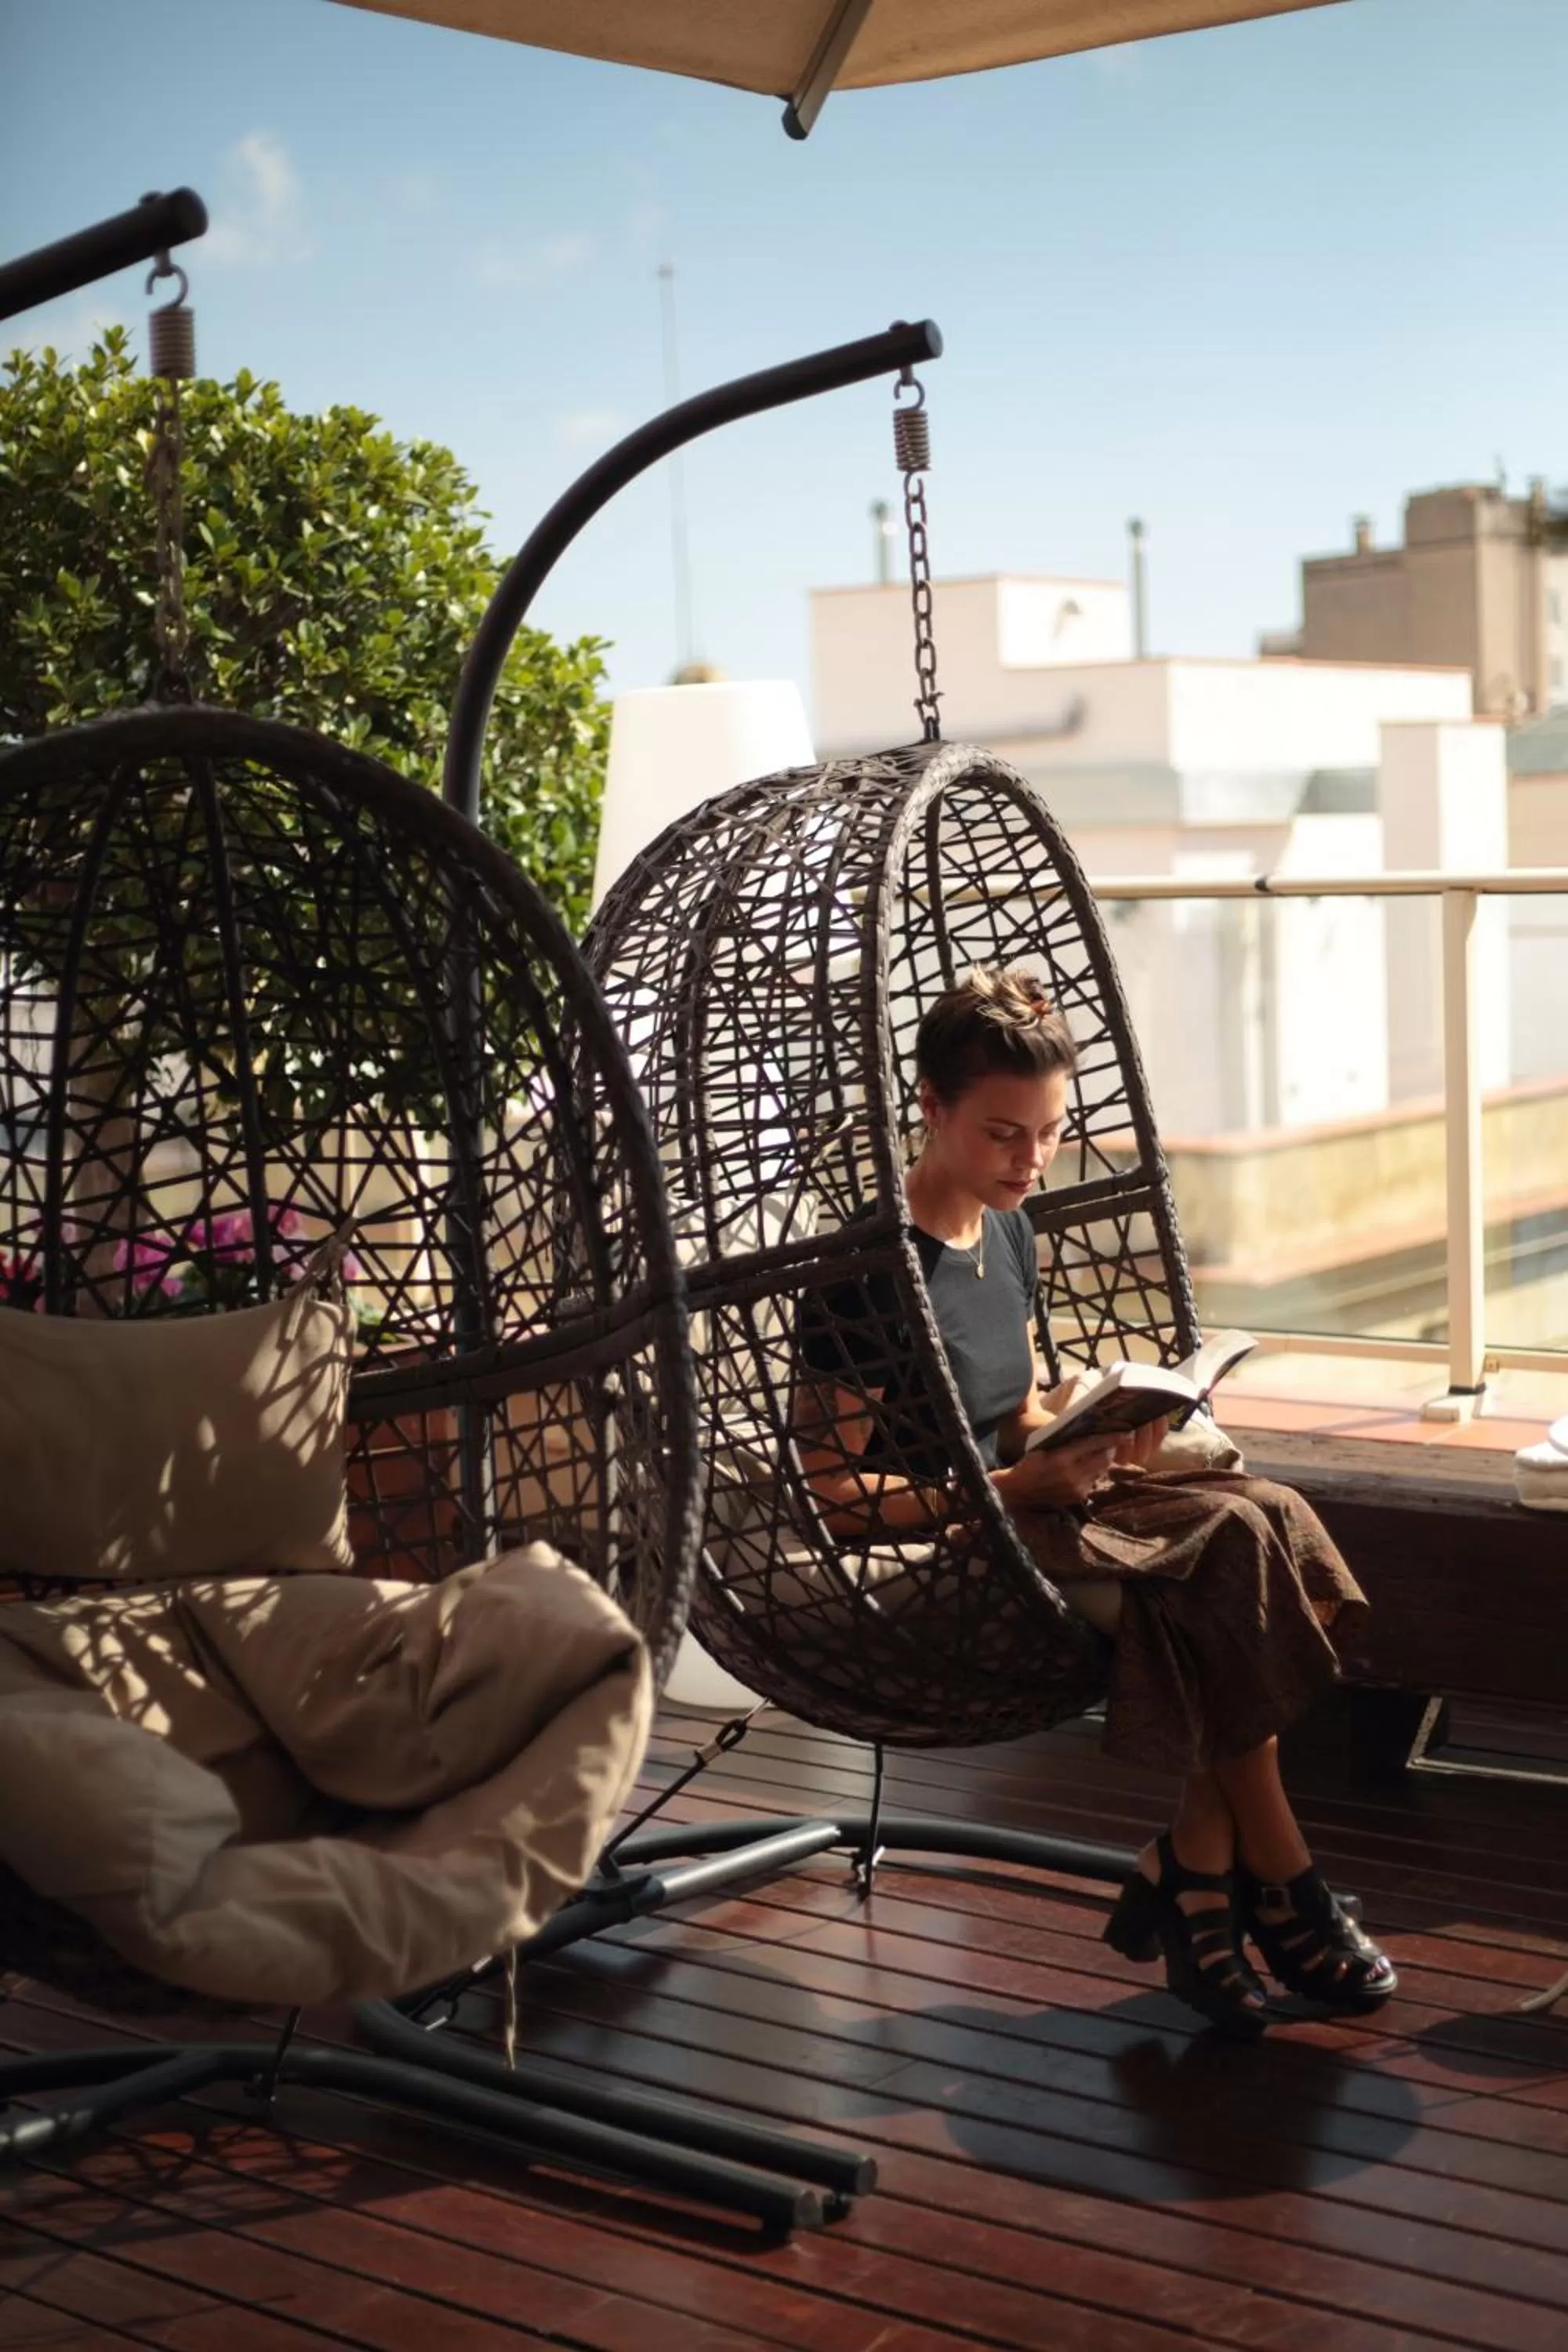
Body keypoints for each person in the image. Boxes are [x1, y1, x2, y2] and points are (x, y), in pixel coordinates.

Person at [794, 965, 1396, 2036]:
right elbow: (833, 1495)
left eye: (1049, 1133)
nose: (1031, 1161)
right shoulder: (866, 1272)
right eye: (1003, 1135)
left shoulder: (1006, 1229)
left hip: (1034, 1501)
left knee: (1269, 1515)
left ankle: (1198, 1865)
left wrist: (1097, 1426)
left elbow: (1015, 1410)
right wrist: (1011, 1485)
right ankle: (1275, 1876)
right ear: (928, 1107)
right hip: (954, 1545)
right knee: (1221, 1565)